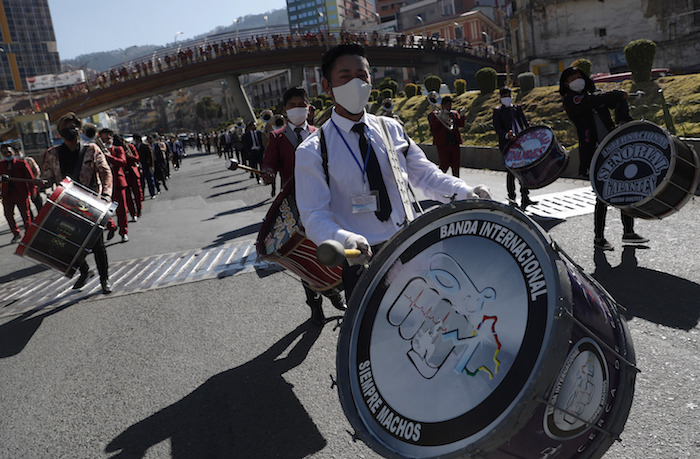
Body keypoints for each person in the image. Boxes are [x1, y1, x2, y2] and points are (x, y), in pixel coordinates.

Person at [294, 43, 491, 323]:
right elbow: (313, 216)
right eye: (344, 76)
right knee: (385, 347)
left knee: (445, 330)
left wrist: (465, 191)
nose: (356, 83)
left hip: (414, 249)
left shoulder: (391, 128)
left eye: (362, 76)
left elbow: (425, 175)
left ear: (371, 79)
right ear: (327, 86)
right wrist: (345, 239)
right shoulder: (313, 150)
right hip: (363, 261)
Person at [261, 86, 347, 324]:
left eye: (301, 104)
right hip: (295, 205)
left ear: (308, 109)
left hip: (325, 200)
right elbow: (270, 163)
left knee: (331, 244)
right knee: (305, 254)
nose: (296, 108)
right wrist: (268, 172)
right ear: (285, 110)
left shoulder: (319, 133)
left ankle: (334, 288)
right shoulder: (277, 137)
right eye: (291, 105)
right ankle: (317, 304)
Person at [559, 66, 648, 251]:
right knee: (602, 195)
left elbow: (613, 101)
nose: (576, 80)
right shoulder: (571, 100)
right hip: (595, 153)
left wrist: (623, 115)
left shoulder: (597, 95)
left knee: (625, 187)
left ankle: (628, 232)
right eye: (571, 79)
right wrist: (616, 94)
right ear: (566, 84)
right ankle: (599, 237)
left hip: (613, 148)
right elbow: (593, 100)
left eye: (578, 76)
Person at [41, 112, 114, 294]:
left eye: (73, 126)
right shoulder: (52, 154)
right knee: (64, 243)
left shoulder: (91, 149)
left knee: (98, 245)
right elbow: (48, 179)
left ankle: (105, 280)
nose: (70, 130)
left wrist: (106, 194)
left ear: (80, 129)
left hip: (91, 204)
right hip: (66, 205)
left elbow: (105, 172)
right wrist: (41, 183)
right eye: (65, 128)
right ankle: (84, 270)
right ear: (59, 133)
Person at [493, 86, 537, 209]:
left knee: (524, 169)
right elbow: (498, 128)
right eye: (504, 96)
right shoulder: (498, 111)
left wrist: (530, 131)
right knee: (511, 171)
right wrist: (507, 135)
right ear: (501, 97)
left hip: (522, 143)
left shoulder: (517, 109)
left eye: (509, 95)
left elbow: (525, 122)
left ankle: (525, 197)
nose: (507, 98)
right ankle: (512, 197)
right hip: (508, 145)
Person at [99, 129, 129, 242]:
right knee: (104, 210)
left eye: (108, 139)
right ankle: (111, 226)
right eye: (103, 139)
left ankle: (124, 232)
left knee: (121, 210)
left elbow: (123, 162)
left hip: (118, 183)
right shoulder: (97, 151)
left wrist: (109, 156)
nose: (106, 141)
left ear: (112, 139)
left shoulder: (118, 149)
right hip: (105, 185)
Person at [0, 144, 34, 243]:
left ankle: (28, 235)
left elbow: (30, 179)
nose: (7, 154)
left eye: (8, 152)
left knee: (25, 215)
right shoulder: (1, 165)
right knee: (8, 215)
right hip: (7, 195)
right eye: (4, 153)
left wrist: (33, 192)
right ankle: (16, 233)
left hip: (20, 193)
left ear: (13, 152)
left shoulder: (21, 163)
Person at [428, 95, 466, 177]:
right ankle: (438, 180)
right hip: (443, 144)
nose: (449, 106)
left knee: (456, 166)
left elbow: (461, 124)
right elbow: (434, 127)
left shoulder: (454, 113)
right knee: (444, 165)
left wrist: (462, 116)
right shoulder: (435, 114)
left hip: (454, 143)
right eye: (447, 104)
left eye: (450, 104)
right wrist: (441, 118)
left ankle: (457, 185)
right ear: (443, 105)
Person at [121, 135, 143, 221]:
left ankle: (139, 209)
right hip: (124, 175)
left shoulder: (130, 147)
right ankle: (133, 213)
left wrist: (129, 156)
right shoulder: (117, 149)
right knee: (128, 197)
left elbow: (137, 158)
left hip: (133, 173)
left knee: (138, 194)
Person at [134, 134, 157, 199]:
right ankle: (142, 195)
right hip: (139, 167)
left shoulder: (145, 146)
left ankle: (152, 193)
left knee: (150, 181)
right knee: (141, 183)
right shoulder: (134, 147)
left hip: (146, 166)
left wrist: (151, 166)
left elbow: (150, 156)